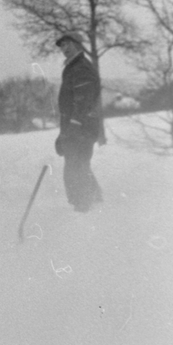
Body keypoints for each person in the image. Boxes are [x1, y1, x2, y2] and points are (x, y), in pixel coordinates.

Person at [54, 32, 104, 212]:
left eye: (67, 44)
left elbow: (82, 102)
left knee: (75, 167)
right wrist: (63, 133)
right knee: (78, 164)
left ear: (78, 45)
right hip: (76, 126)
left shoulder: (81, 68)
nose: (64, 49)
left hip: (81, 127)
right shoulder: (73, 67)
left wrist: (72, 128)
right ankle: (94, 201)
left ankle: (83, 208)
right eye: (62, 46)